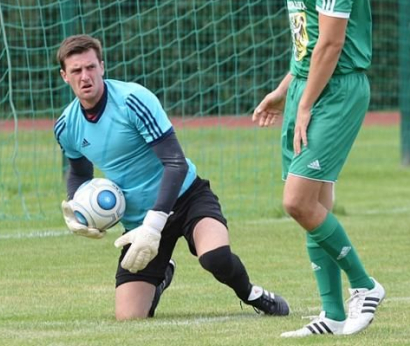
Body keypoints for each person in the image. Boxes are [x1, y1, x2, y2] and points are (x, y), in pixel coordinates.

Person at [54, 34, 289, 321]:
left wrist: (155, 223)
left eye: (91, 67)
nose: (85, 76)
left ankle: (253, 294)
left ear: (102, 67)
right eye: (76, 70)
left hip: (187, 197)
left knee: (214, 258)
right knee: (129, 317)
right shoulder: (66, 126)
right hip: (138, 222)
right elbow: (79, 173)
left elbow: (175, 163)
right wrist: (78, 209)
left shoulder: (132, 100)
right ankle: (162, 273)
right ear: (65, 76)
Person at [253, 0, 385, 337]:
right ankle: (331, 313)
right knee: (314, 203)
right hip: (308, 91)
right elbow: (307, 49)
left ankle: (366, 287)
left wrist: (305, 104)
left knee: (296, 201)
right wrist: (284, 90)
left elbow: (331, 45)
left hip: (336, 93)